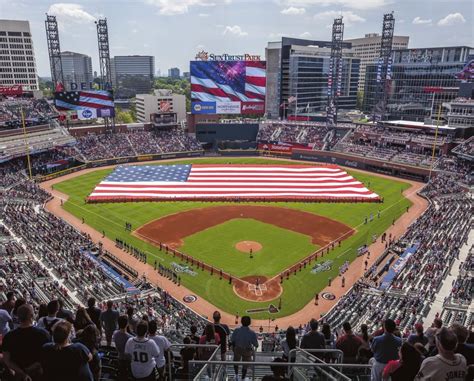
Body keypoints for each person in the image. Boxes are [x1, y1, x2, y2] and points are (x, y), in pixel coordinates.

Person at [2, 304, 51, 381]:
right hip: (37, 374)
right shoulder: (43, 334)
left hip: (18, 375)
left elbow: (6, 360)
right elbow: (47, 356)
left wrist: (22, 372)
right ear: (32, 315)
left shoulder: (9, 336)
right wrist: (30, 369)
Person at [231, 316, 258, 380]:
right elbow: (256, 344)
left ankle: (237, 375)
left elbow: (232, 340)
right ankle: (243, 378)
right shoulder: (252, 333)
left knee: (236, 362)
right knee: (245, 366)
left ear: (241, 322)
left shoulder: (236, 330)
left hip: (237, 349)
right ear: (249, 323)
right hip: (247, 350)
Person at [113, 315, 132, 381]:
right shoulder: (130, 338)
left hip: (119, 357)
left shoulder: (115, 333)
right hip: (128, 360)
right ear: (127, 324)